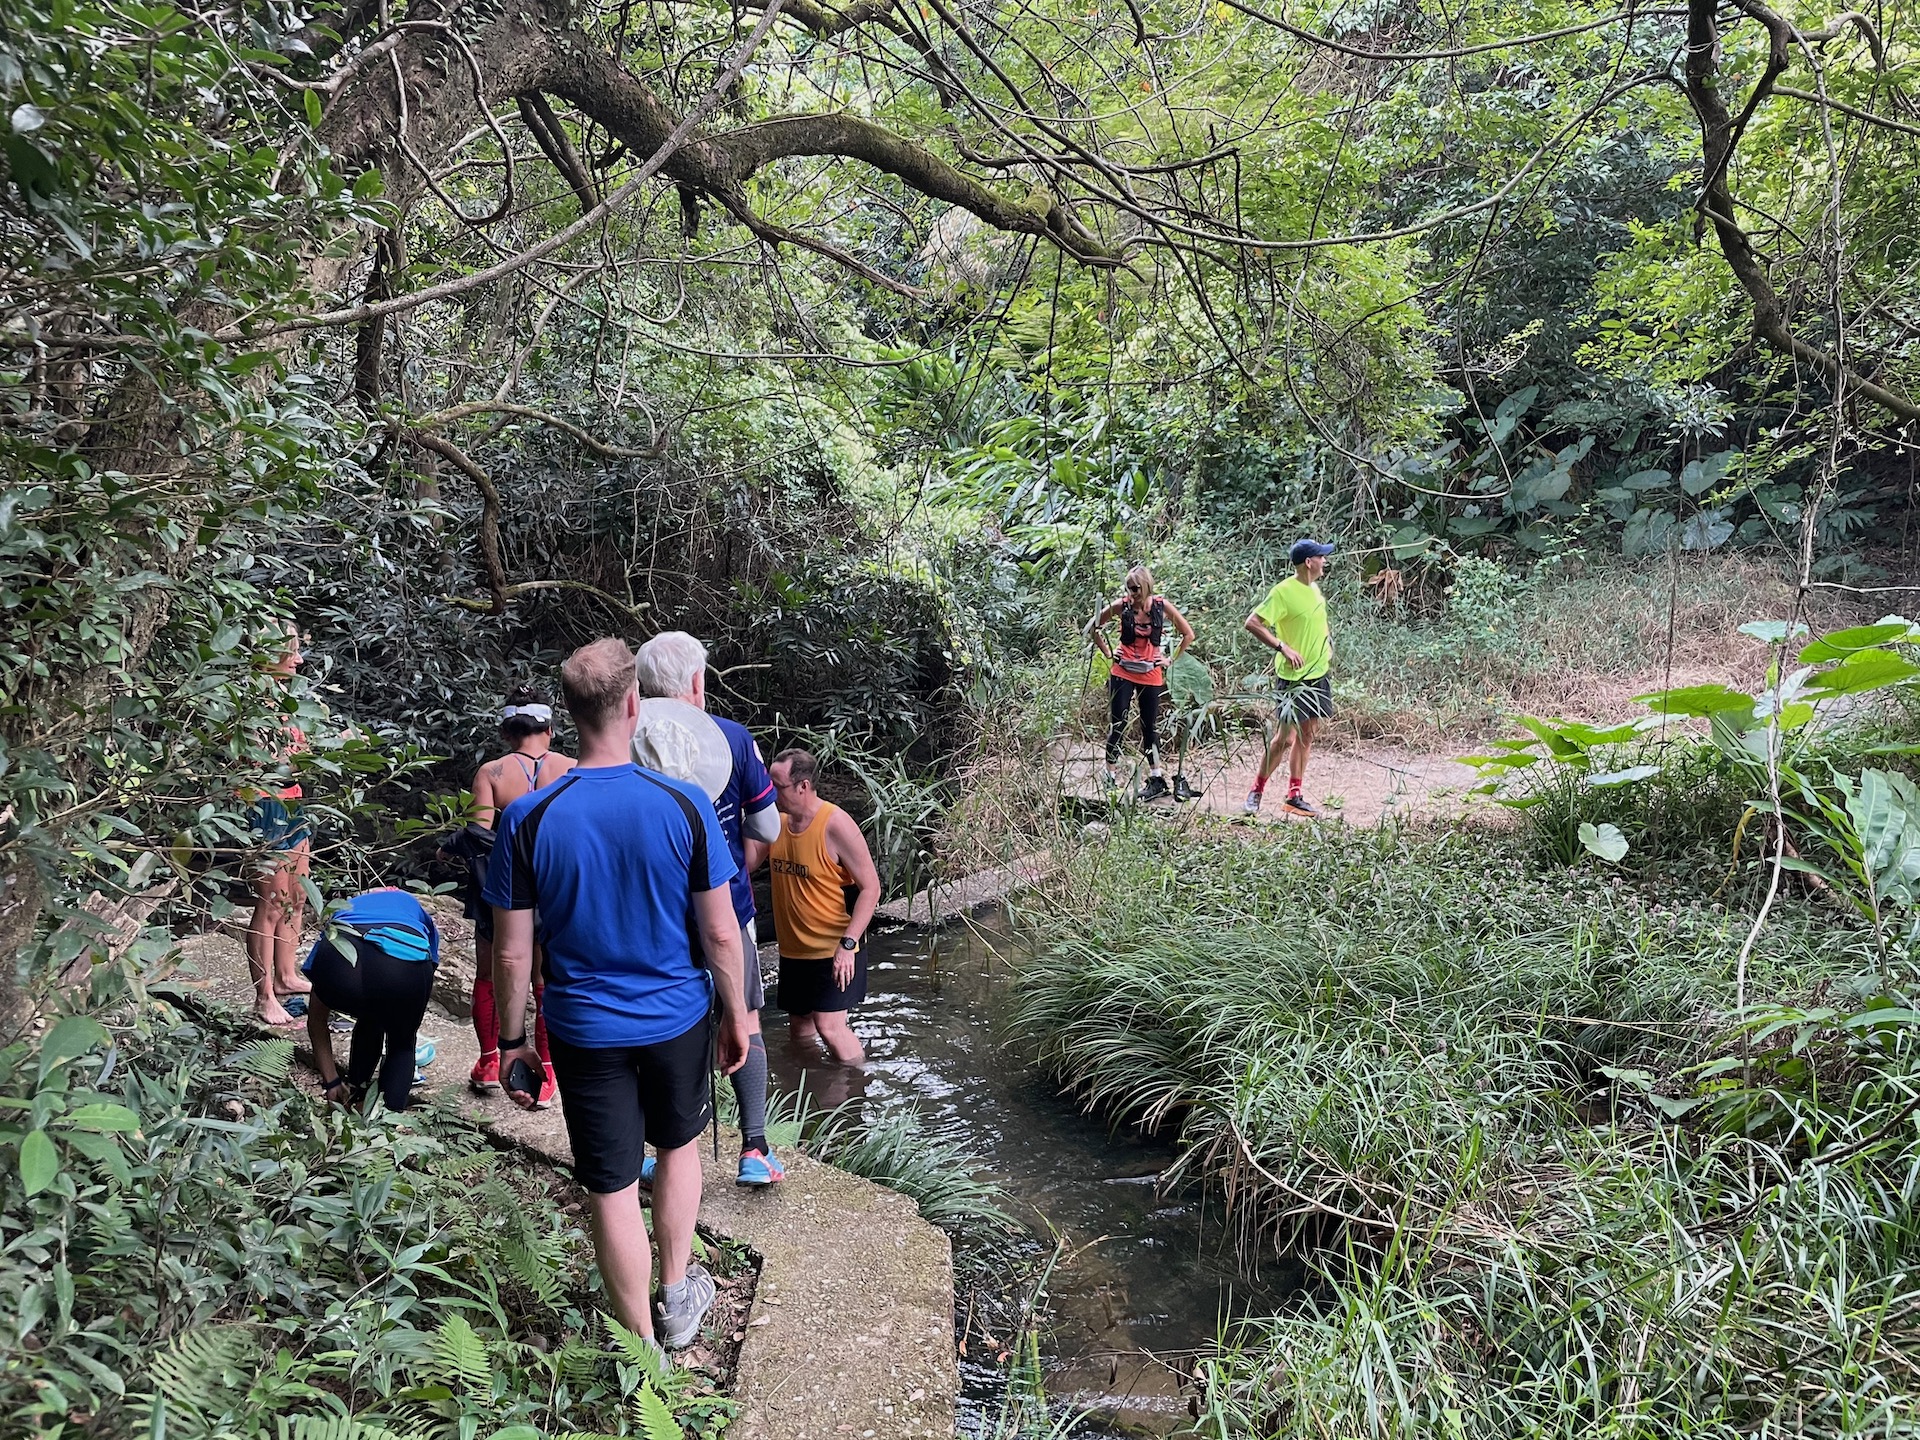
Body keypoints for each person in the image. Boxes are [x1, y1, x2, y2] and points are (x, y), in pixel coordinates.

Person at [486, 638, 750, 1353]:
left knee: (608, 1185)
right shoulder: (686, 805)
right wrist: (740, 1019)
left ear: (570, 715)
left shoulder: (527, 819)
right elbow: (722, 937)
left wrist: (513, 1043)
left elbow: (512, 951)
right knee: (678, 1148)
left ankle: (641, 1350)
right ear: (635, 705)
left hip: (581, 1028)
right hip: (676, 1017)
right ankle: (676, 1294)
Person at [634, 631, 785, 1187]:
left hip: (648, 913)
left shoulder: (620, 740)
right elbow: (767, 825)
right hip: (726, 908)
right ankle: (754, 1148)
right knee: (743, 1018)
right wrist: (734, 862)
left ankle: (661, 1149)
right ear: (697, 682)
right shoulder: (733, 737)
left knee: (667, 1023)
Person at [456, 690, 574, 1106]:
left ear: (508, 732)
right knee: (545, 980)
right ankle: (547, 1072)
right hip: (557, 884)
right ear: (550, 729)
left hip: (504, 887)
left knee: (489, 973)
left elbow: (479, 833)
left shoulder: (492, 773)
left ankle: (491, 1061)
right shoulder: (573, 769)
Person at [765, 748, 881, 1066]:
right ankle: (807, 1097)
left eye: (776, 785)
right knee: (800, 1030)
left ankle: (857, 1092)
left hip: (834, 949)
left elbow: (871, 888)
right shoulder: (774, 822)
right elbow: (746, 863)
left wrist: (848, 944)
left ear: (802, 786)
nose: (769, 791)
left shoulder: (835, 824)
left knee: (829, 1027)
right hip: (794, 951)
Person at [304, 887, 440, 1112]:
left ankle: (351, 1090)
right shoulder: (413, 906)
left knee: (370, 1016)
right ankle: (384, 1125)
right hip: (400, 965)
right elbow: (430, 964)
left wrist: (331, 1081)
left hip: (341, 958)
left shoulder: (344, 911)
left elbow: (316, 1020)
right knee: (402, 1045)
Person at [245, 625, 312, 1028]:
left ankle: (287, 976)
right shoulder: (251, 701)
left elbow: (296, 754)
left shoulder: (284, 701)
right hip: (263, 804)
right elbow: (258, 764)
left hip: (292, 800)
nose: (299, 659)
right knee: (270, 903)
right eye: (291, 651)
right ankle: (264, 995)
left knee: (298, 896)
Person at [1244, 538, 1336, 817]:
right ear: (1309, 562)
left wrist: (1328, 641)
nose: (1325, 561)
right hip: (1293, 679)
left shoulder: (1315, 589)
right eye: (1321, 556)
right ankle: (1256, 790)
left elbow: (1314, 622)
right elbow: (1253, 622)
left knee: (1307, 735)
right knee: (1285, 738)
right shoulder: (1283, 592)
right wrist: (1282, 647)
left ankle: (1294, 795)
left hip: (1317, 675)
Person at [1088, 565, 1195, 801]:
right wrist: (1107, 652)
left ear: (1146, 586)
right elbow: (1093, 627)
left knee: (1149, 726)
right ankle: (1110, 776)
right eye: (1129, 588)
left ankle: (1156, 778)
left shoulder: (1161, 606)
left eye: (1136, 588)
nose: (1132, 593)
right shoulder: (1121, 605)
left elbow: (1188, 634)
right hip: (1123, 670)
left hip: (1151, 672)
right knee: (1118, 723)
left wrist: (1169, 659)